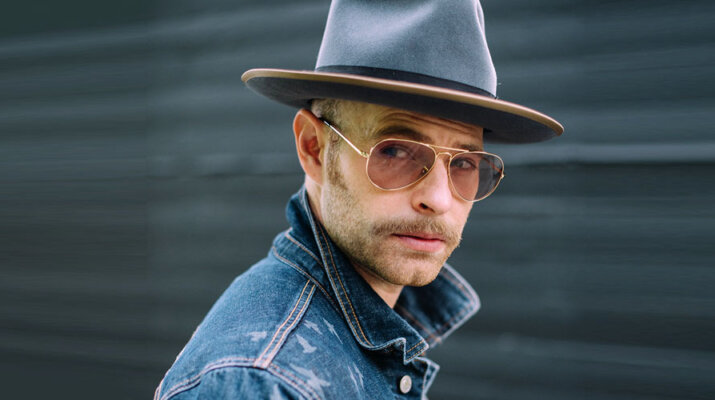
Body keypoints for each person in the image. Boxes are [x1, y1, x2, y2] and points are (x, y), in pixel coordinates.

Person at [154, 0, 563, 399]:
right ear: (314, 148)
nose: (439, 199)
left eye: (465, 163)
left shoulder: (367, 332)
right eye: (395, 151)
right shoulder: (264, 383)